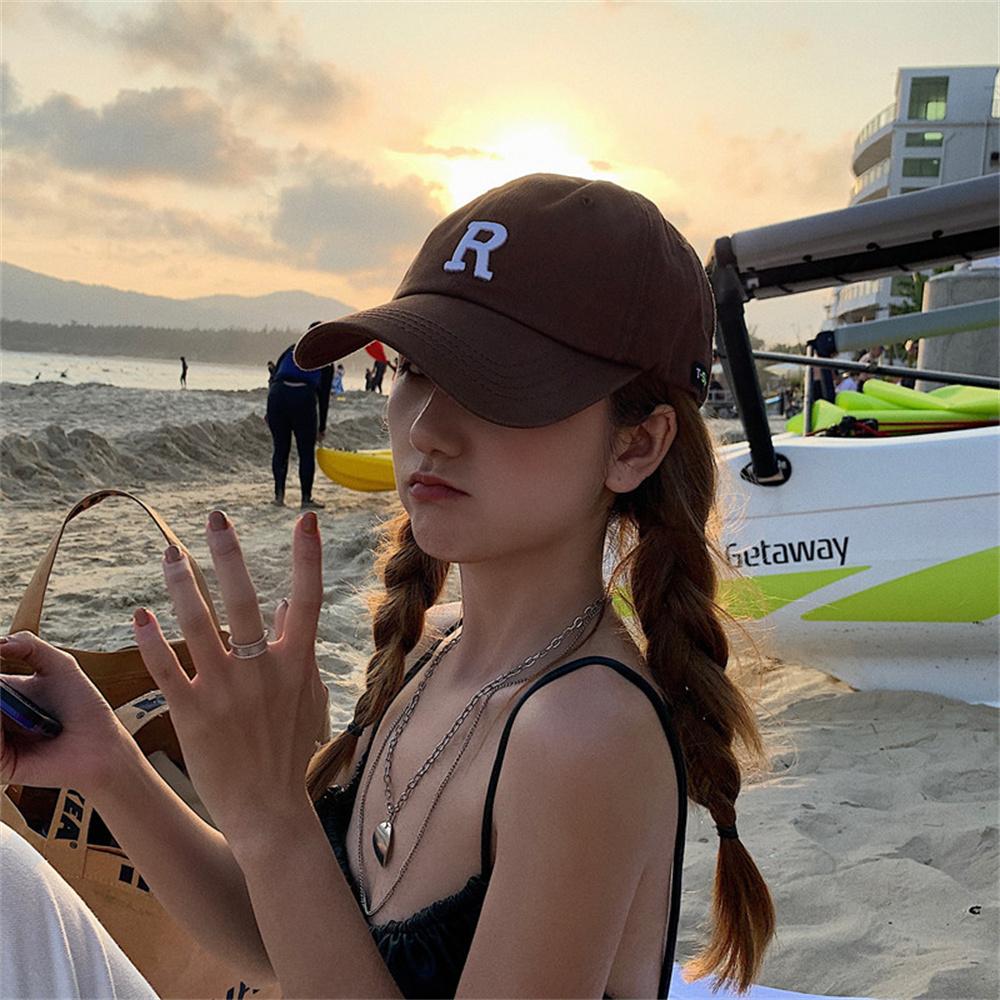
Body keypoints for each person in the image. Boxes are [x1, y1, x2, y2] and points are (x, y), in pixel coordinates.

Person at [0, 174, 774, 999]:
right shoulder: (432, 647)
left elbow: (284, 871)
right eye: (413, 368)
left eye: (499, 385)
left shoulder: (586, 735)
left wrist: (268, 812)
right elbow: (278, 941)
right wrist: (106, 762)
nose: (428, 428)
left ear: (637, 445)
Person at [265, 326, 332, 509]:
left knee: (280, 449)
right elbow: (323, 395)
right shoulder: (326, 359)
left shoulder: (290, 350)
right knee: (305, 452)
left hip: (277, 397)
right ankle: (306, 499)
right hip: (302, 398)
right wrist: (322, 427)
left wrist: (267, 411)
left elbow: (274, 379)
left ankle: (278, 497)